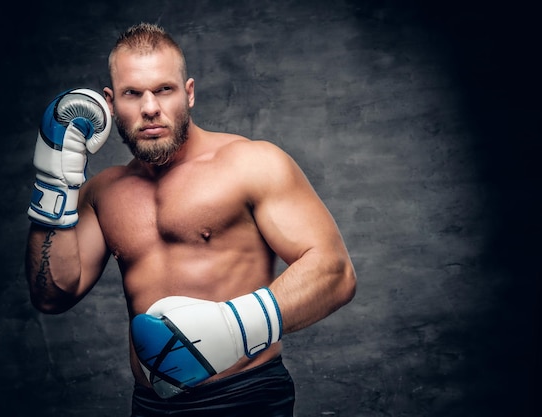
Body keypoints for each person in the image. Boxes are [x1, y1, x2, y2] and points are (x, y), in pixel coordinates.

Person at [25, 23, 356, 417]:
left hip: (245, 396)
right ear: (110, 105)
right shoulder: (104, 193)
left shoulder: (250, 163)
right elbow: (51, 294)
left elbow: (335, 273)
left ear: (189, 92)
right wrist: (54, 180)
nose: (150, 107)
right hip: (150, 405)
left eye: (164, 89)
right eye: (133, 93)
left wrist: (233, 328)